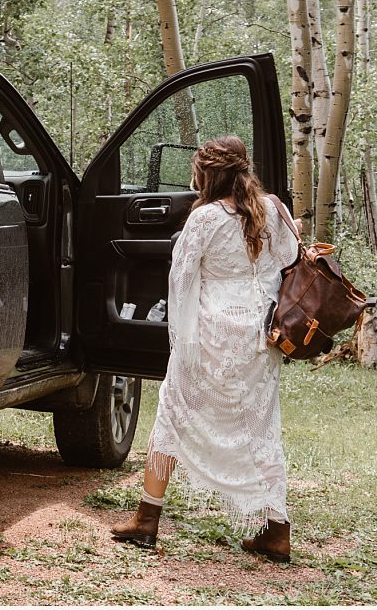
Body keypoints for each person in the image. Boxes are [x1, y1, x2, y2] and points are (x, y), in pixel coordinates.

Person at [109, 135, 300, 562]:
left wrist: (181, 342)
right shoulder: (275, 210)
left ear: (207, 175)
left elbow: (180, 281)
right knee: (262, 427)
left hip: (210, 335)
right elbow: (290, 261)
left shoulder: (205, 218)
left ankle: (146, 518)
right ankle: (277, 530)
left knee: (173, 414)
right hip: (259, 340)